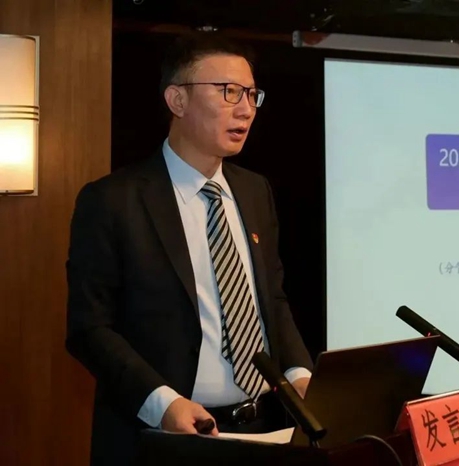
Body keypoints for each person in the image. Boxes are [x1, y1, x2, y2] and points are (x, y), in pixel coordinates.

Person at [65, 33, 313, 466]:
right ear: (177, 100)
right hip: (162, 438)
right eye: (228, 92)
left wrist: (300, 374)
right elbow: (90, 328)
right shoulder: (113, 200)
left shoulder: (255, 191)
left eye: (252, 94)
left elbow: (271, 300)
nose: (246, 109)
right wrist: (163, 403)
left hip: (265, 430)